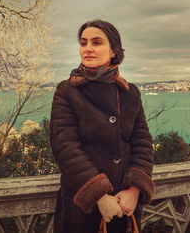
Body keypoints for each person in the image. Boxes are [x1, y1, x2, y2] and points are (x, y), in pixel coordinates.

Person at [50, 19, 154, 233]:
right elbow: (65, 146)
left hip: (125, 206)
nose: (87, 48)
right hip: (82, 207)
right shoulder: (67, 91)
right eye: (83, 43)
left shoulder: (130, 93)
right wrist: (98, 194)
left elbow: (142, 141)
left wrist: (134, 190)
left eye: (96, 42)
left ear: (114, 50)